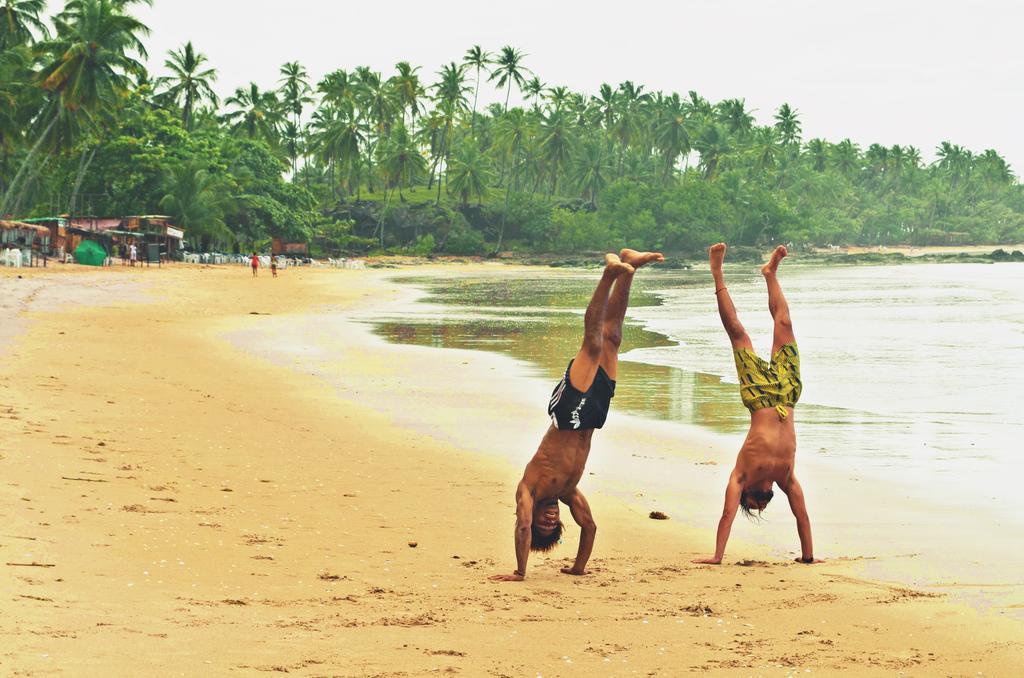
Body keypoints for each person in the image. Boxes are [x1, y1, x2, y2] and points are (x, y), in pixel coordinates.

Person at [490, 249, 664, 582]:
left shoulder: (528, 489)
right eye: (553, 523)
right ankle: (629, 268)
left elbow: (523, 525)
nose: (550, 518)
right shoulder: (568, 492)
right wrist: (579, 567)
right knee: (612, 338)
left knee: (593, 345)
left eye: (546, 521)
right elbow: (590, 526)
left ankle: (608, 275)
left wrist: (520, 571)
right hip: (594, 418)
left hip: (567, 415)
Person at [693, 243, 820, 566]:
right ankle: (770, 273)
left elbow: (726, 514)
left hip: (761, 395)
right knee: (785, 324)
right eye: (767, 499)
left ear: (749, 491)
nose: (764, 496)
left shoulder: (740, 475)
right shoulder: (787, 477)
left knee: (739, 334)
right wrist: (808, 557)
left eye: (757, 499)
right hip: (787, 395)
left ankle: (720, 272)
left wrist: (716, 556)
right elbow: (801, 514)